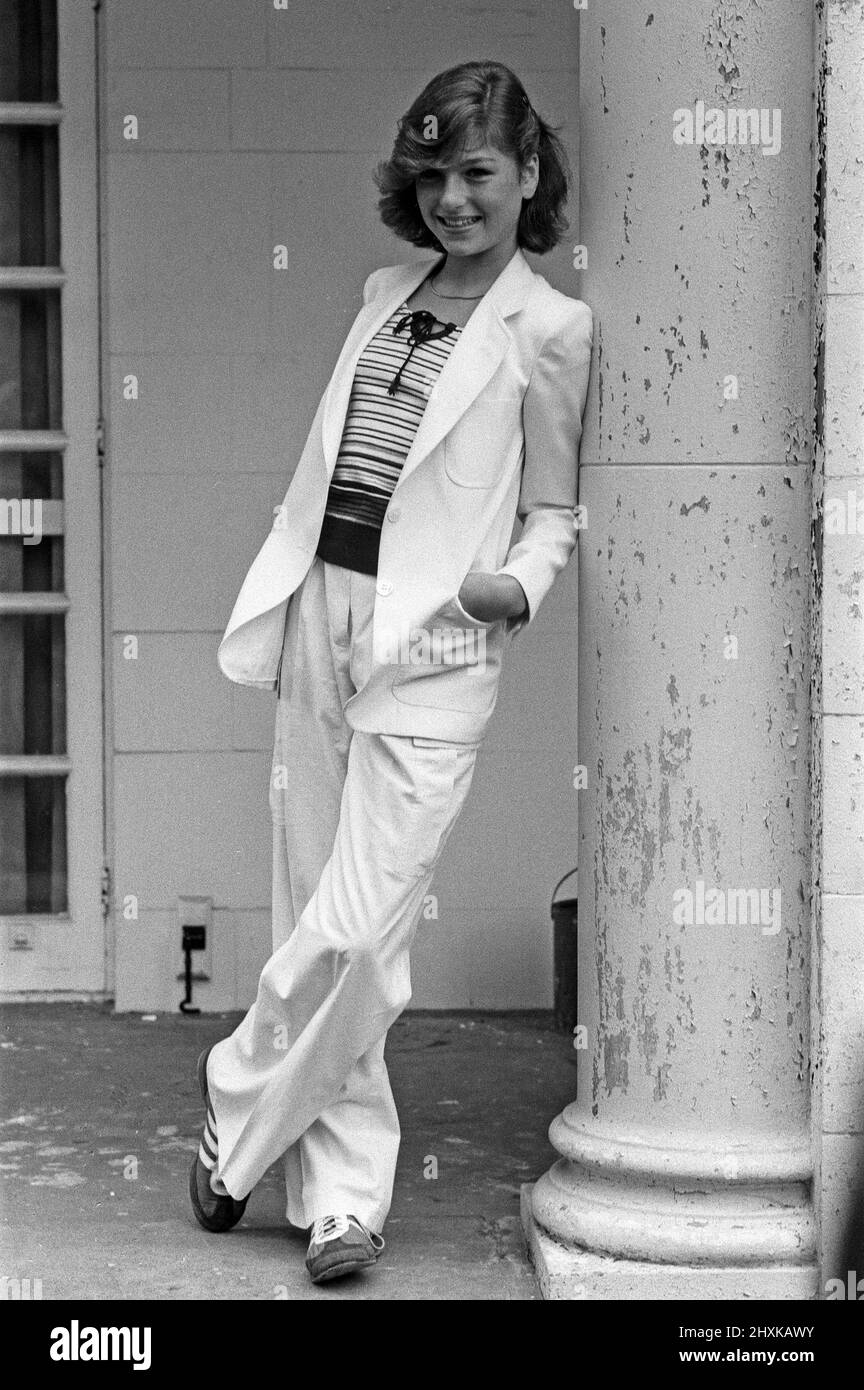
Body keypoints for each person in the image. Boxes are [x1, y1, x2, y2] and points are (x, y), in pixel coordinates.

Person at [188, 58, 593, 1286]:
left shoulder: (553, 328)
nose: (454, 199)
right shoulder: (384, 293)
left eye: (478, 173)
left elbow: (553, 508)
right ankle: (342, 1203)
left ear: (530, 175)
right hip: (326, 606)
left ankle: (232, 1114)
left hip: (443, 637)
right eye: (434, 175)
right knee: (315, 901)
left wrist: (515, 589)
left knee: (364, 935)